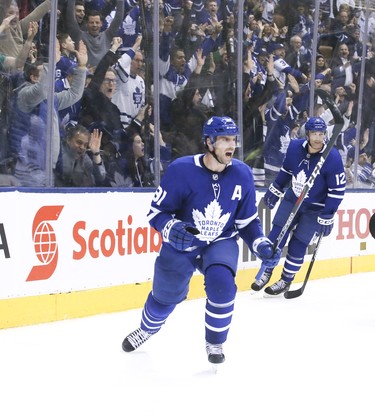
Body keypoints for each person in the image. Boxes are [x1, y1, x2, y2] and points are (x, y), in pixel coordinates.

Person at [121, 116, 281, 364]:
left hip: (221, 241)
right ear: (208, 142)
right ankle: (147, 329)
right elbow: (156, 213)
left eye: (233, 139)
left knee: (223, 286)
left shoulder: (242, 174)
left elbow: (247, 222)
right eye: (224, 139)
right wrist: (170, 227)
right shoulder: (181, 170)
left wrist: (260, 243)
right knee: (164, 297)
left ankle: (215, 342)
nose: (231, 145)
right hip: (183, 242)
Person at [250, 116, 346, 296]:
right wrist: (276, 188)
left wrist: (328, 214)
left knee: (298, 244)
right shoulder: (295, 147)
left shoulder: (332, 157)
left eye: (321, 133)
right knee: (275, 236)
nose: (318, 138)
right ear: (307, 134)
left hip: (315, 208)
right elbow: (287, 171)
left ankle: (286, 280)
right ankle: (266, 270)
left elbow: (337, 190)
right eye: (314, 133)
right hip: (292, 199)